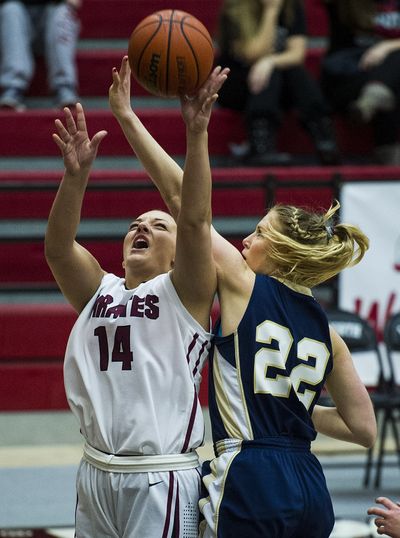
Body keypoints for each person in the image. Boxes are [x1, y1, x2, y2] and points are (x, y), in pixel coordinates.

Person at [110, 55, 377, 538]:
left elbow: (183, 202)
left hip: (251, 475)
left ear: (280, 250)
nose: (244, 243)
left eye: (257, 234)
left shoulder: (244, 283)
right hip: (310, 485)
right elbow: (365, 431)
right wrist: (289, 408)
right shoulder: (328, 331)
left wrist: (128, 118)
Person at [44, 64, 229, 536]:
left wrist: (196, 135)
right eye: (134, 225)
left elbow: (194, 221)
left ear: (177, 253)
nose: (142, 227)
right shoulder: (98, 290)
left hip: (160, 476)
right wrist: (75, 176)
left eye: (156, 224)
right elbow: (59, 248)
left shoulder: (184, 292)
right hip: (95, 471)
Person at [214, 0, 340, 166]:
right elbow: (253, 54)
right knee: (272, 72)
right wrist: (271, 11)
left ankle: (324, 138)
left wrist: (270, 62)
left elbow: (297, 55)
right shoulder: (235, 7)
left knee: (295, 72)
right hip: (238, 84)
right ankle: (261, 147)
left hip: (275, 83)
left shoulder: (291, 6)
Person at [320, 0, 400, 165]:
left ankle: (374, 96)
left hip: (382, 82)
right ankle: (387, 150)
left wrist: (386, 46)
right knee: (387, 87)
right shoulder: (344, 5)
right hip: (348, 78)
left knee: (393, 69)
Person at [0, 0, 81, 111]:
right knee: (10, 9)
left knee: (62, 11)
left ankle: (65, 88)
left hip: (52, 17)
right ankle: (13, 88)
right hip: (15, 20)